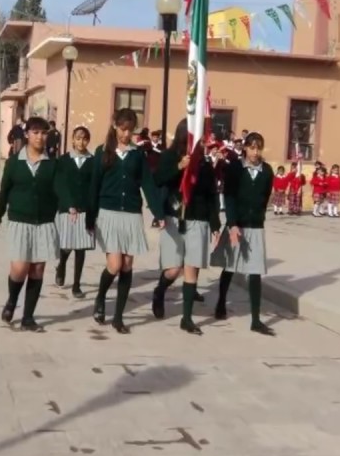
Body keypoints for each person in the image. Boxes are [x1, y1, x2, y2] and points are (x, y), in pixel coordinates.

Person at [86, 108, 165, 334]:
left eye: (130, 130)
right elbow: (94, 186)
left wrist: (158, 213)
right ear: (114, 126)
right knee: (115, 265)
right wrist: (90, 216)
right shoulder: (102, 152)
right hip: (108, 213)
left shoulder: (137, 155)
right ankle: (100, 298)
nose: (126, 134)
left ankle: (118, 317)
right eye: (123, 129)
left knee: (128, 265)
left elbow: (147, 185)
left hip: (131, 214)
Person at [152, 120, 221, 335]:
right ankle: (160, 291)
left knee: (191, 268)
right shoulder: (169, 157)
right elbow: (158, 180)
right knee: (174, 270)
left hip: (198, 219)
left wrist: (215, 223)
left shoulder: (204, 164)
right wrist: (178, 167)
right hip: (174, 217)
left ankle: (187, 319)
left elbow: (212, 196)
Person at [0, 117, 60, 331]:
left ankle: (28, 318)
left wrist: (72, 206)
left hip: (44, 221)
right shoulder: (14, 163)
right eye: (36, 132)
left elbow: (60, 191)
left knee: (38, 268)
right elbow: (5, 190)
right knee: (20, 268)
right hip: (20, 219)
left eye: (43, 133)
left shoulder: (52, 164)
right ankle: (12, 300)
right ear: (27, 134)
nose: (40, 137)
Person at [211, 131, 276, 335]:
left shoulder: (267, 171)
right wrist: (232, 223)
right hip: (236, 224)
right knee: (230, 266)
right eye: (252, 148)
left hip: (255, 225)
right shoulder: (235, 169)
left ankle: (256, 319)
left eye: (258, 148)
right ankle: (221, 302)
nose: (255, 152)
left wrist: (258, 215)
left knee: (255, 271)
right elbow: (229, 197)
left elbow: (265, 196)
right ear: (245, 148)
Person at [53, 126, 95, 297]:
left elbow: (94, 187)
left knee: (81, 248)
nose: (81, 142)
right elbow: (59, 184)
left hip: (85, 209)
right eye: (78, 138)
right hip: (66, 209)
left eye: (84, 138)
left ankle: (76, 285)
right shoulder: (63, 160)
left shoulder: (93, 161)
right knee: (67, 245)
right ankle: (61, 265)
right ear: (72, 139)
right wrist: (68, 204)